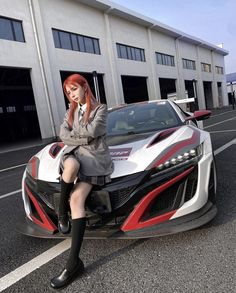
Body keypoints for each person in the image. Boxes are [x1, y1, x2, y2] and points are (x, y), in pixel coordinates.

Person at [50, 73, 113, 289]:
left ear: (85, 87)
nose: (72, 95)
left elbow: (95, 131)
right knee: (71, 166)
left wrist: (75, 135)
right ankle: (61, 212)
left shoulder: (100, 109)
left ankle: (73, 263)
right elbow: (62, 134)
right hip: (74, 156)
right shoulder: (71, 112)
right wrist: (82, 136)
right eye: (68, 92)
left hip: (94, 159)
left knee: (77, 198)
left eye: (74, 89)